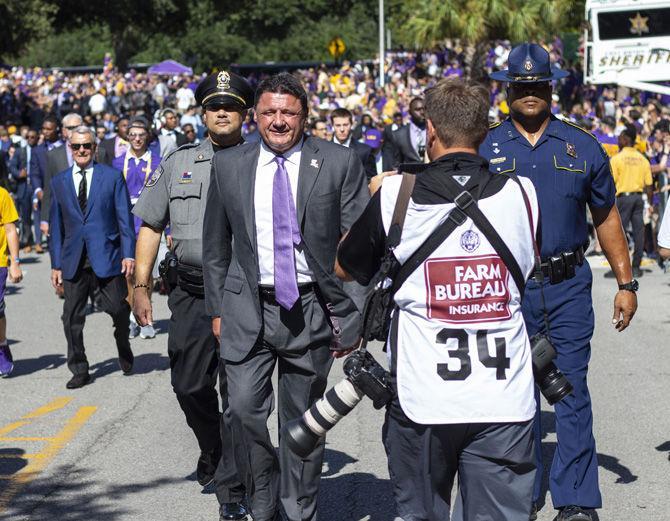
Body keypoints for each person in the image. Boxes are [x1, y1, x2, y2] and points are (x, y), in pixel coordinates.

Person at [336, 76, 539, 521]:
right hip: (505, 397)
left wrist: (374, 198)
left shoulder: (395, 194)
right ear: (485, 132)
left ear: (429, 129)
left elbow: (346, 266)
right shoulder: (524, 194)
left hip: (424, 397)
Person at [482, 43, 637, 521]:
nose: (530, 92)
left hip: (568, 284)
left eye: (538, 85)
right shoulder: (486, 148)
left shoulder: (582, 145)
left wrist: (626, 283)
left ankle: (575, 499)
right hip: (508, 289)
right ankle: (519, 496)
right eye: (521, 85)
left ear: (551, 87)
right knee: (514, 393)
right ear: (508, 89)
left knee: (569, 389)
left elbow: (606, 214)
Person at [202, 72, 368, 521]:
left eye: (288, 113)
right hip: (245, 307)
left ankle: (298, 510)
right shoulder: (229, 164)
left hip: (310, 309)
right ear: (254, 116)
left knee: (303, 426)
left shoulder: (338, 162)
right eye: (269, 112)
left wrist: (352, 316)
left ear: (304, 117)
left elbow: (359, 246)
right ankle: (262, 498)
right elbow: (215, 246)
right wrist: (217, 309)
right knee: (242, 412)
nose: (278, 121)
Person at [132, 71, 253, 521]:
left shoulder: (262, 160)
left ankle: (232, 486)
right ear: (202, 112)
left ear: (245, 114)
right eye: (215, 106)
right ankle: (213, 448)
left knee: (239, 395)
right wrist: (140, 285)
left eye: (232, 106)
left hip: (245, 294)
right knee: (188, 384)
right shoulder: (177, 161)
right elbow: (150, 224)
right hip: (190, 291)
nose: (223, 112)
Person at [48, 126, 136, 389]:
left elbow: (124, 219)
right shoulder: (59, 181)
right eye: (76, 146)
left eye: (87, 145)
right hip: (74, 260)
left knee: (119, 309)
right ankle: (79, 368)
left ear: (95, 148)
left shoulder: (111, 177)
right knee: (71, 318)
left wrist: (128, 253)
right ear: (70, 148)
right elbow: (56, 227)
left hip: (107, 256)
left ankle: (123, 342)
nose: (82, 150)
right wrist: (55, 265)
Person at [113, 116, 161, 339]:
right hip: (125, 222)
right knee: (128, 271)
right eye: (133, 135)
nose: (137, 139)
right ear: (127, 137)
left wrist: (168, 230)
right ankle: (133, 314)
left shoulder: (158, 160)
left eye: (141, 135)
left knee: (146, 270)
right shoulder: (118, 162)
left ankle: (145, 316)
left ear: (147, 136)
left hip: (148, 220)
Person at [607, 125, 652, 279]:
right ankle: (636, 266)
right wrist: (650, 204)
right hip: (638, 198)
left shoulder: (617, 159)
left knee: (619, 233)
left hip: (623, 198)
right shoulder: (643, 159)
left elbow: (610, 182)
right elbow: (649, 184)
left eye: (620, 138)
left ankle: (619, 268)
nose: (617, 140)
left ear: (626, 139)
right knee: (639, 232)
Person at [37, 113, 83, 237]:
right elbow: (48, 189)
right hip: (62, 214)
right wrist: (45, 219)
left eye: (77, 127)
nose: (74, 131)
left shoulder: (96, 152)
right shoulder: (53, 155)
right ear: (63, 130)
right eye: (70, 128)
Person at [29, 115, 62, 253]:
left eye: (49, 129)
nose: (46, 132)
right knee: (51, 234)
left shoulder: (68, 147)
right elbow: (35, 173)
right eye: (44, 129)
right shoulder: (38, 151)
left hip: (64, 193)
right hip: (46, 196)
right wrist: (38, 190)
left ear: (57, 129)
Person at [0, 186, 23, 377]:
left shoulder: (2, 194)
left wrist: (15, 262)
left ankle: (1, 345)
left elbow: (10, 229)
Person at [8, 129, 39, 251]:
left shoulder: (40, 150)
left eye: (33, 137)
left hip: (37, 186)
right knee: (26, 217)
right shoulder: (19, 151)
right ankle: (27, 242)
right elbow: (12, 167)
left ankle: (38, 242)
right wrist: (19, 174)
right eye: (28, 137)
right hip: (24, 187)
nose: (30, 139)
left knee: (38, 215)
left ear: (36, 138)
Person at [331, 108, 377, 180]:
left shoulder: (365, 151)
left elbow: (371, 180)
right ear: (332, 126)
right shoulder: (323, 149)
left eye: (345, 125)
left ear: (351, 124)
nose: (342, 129)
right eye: (338, 125)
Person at [391, 98, 426, 167]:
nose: (422, 112)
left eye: (424, 109)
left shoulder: (436, 131)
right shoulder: (399, 134)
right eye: (417, 110)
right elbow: (396, 163)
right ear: (410, 112)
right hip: (409, 176)